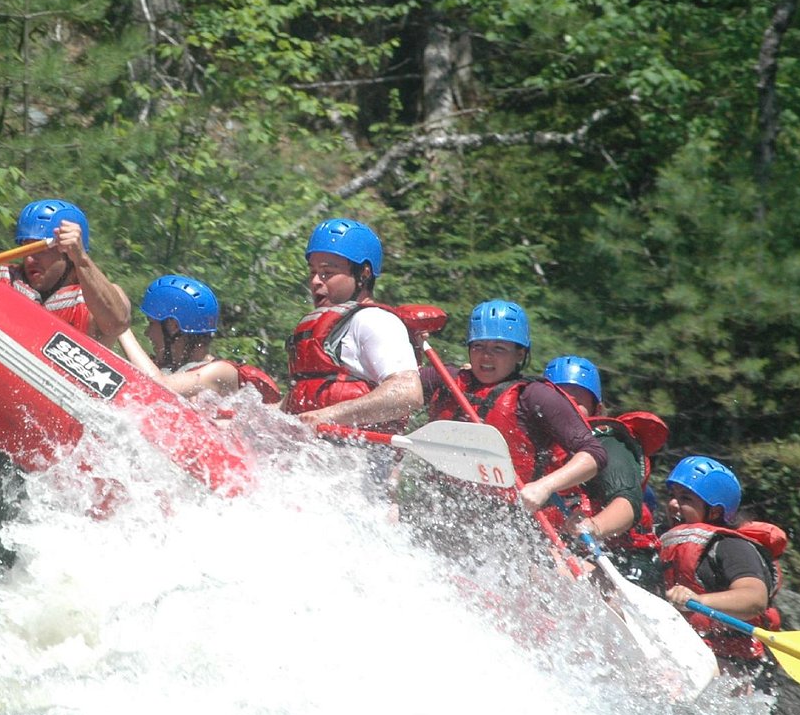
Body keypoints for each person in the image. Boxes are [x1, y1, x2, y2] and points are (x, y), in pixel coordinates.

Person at [421, 301, 607, 514]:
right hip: (438, 504)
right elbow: (398, 383)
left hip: (506, 516)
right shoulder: (446, 378)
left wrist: (544, 486)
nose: (486, 356)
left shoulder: (536, 395)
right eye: (478, 346)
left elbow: (594, 454)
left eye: (498, 348)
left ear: (520, 354)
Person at [282, 218, 423, 432]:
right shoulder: (329, 329)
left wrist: (327, 416)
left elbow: (408, 393)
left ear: (363, 274)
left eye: (327, 273)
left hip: (364, 460)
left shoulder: (374, 320)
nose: (315, 281)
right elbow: (295, 406)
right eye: (313, 272)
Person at [660, 455, 787, 686]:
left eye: (685, 498)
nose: (673, 504)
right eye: (673, 496)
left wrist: (697, 598)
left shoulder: (731, 546)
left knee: (669, 682)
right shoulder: (665, 542)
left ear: (715, 512)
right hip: (692, 650)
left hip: (738, 665)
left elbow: (755, 598)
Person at [543, 355, 665, 589]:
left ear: (596, 408)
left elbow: (627, 504)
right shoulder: (539, 448)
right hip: (573, 555)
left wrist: (593, 526)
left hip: (626, 559)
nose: (566, 408)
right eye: (559, 400)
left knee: (555, 573)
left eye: (576, 400)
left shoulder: (608, 444)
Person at [118, 274, 281, 403]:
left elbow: (159, 387)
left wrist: (120, 326)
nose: (147, 333)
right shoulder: (164, 368)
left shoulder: (221, 372)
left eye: (151, 324)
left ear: (173, 326)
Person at [0, 198, 131, 344]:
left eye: (40, 250)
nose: (30, 259)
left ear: (68, 255)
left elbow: (117, 324)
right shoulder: (4, 283)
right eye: (26, 249)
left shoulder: (98, 301)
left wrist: (80, 258)